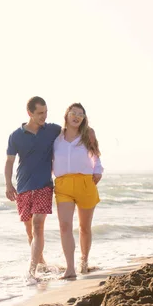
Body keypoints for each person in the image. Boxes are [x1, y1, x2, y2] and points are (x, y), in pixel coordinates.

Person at [5, 96, 61, 278]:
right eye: (39, 113)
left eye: (45, 112)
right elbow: (9, 162)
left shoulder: (52, 130)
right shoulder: (15, 136)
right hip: (23, 187)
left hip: (44, 185)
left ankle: (32, 271)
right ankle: (41, 262)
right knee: (29, 231)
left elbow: (74, 133)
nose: (44, 116)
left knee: (38, 225)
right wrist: (8, 184)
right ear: (29, 113)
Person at [53, 103, 103, 278]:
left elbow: (96, 155)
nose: (76, 116)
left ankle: (84, 260)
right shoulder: (56, 137)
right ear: (66, 115)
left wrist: (98, 171)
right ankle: (70, 268)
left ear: (83, 118)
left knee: (84, 227)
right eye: (73, 113)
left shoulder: (87, 134)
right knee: (65, 226)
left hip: (85, 183)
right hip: (63, 185)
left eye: (80, 114)